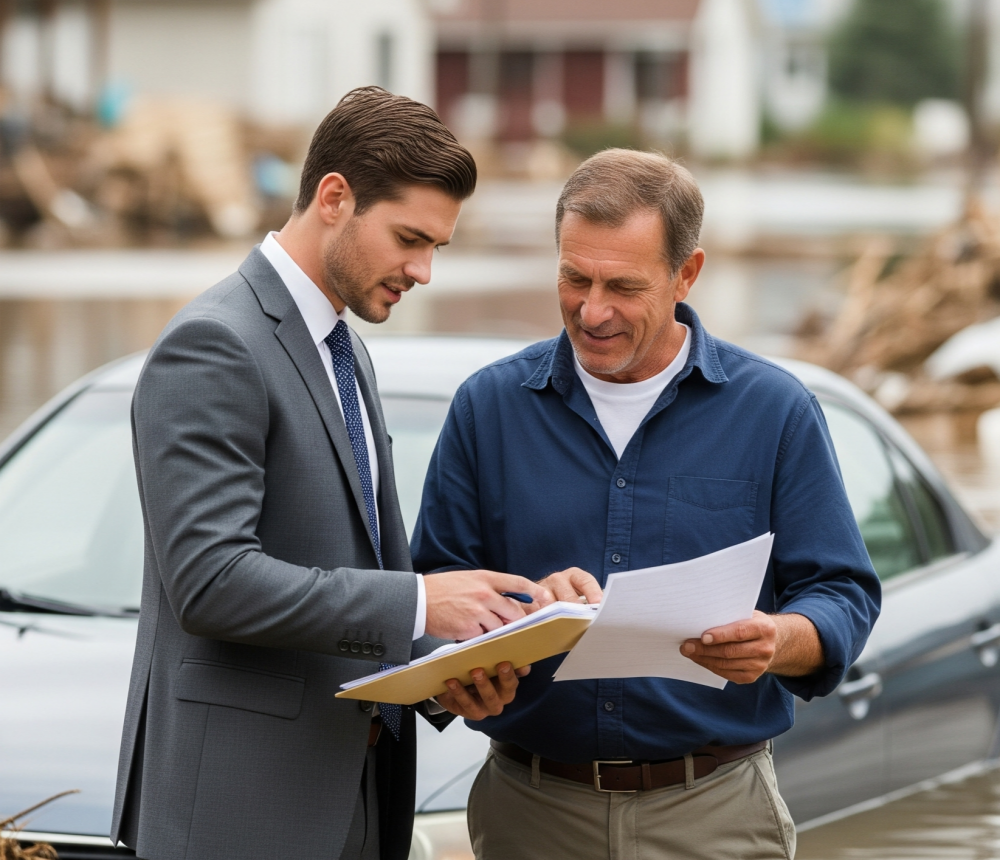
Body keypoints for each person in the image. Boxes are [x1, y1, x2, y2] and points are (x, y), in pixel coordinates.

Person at [111, 87, 551, 860]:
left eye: (437, 249)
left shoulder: (344, 349)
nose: (422, 271)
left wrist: (455, 662)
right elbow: (211, 581)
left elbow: (347, 572)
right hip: (236, 815)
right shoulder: (216, 344)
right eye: (410, 238)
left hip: (355, 800)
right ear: (335, 197)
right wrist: (419, 602)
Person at [412, 149, 881, 860]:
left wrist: (776, 640)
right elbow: (431, 596)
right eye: (574, 278)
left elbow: (843, 591)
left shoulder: (775, 411)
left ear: (686, 274)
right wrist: (475, 654)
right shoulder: (488, 408)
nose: (591, 310)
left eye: (623, 286)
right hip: (528, 813)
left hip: (716, 813)